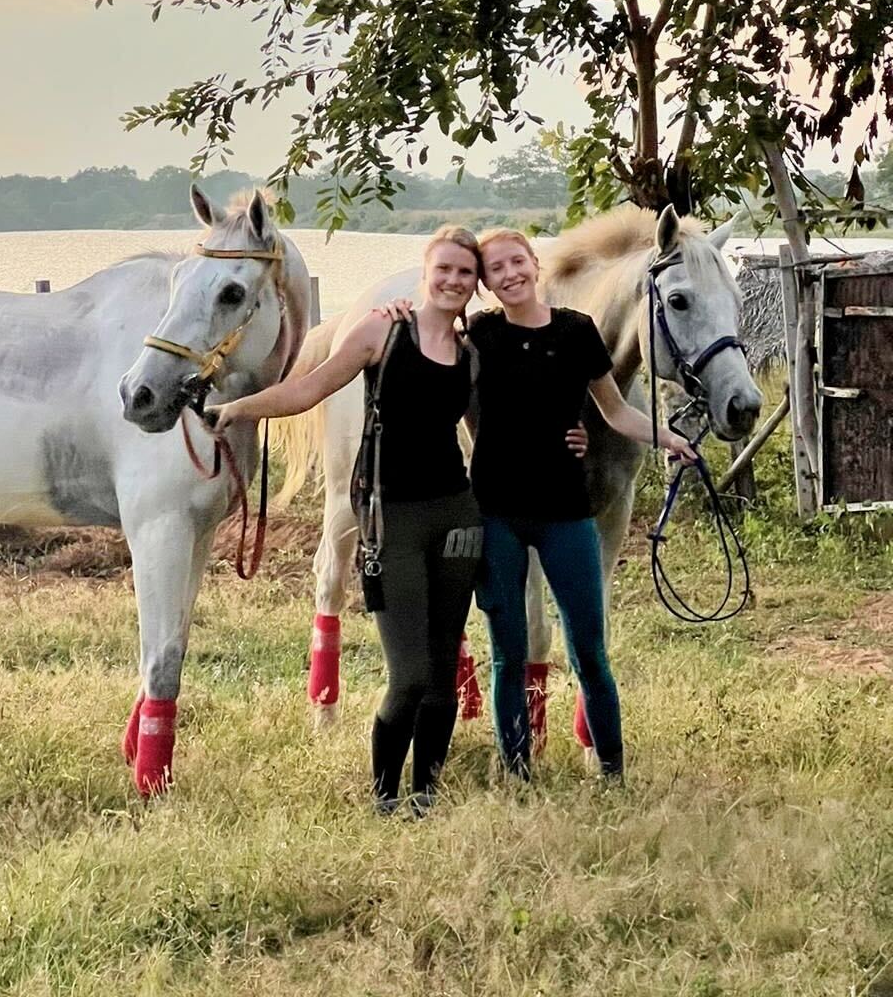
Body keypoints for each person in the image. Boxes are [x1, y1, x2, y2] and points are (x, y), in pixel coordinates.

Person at [210, 227, 488, 814]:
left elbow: (491, 437)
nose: (453, 280)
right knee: (409, 676)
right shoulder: (381, 332)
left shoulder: (469, 355)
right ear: (426, 270)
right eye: (444, 268)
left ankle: (425, 795)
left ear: (475, 283)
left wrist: (568, 443)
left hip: (456, 518)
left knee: (441, 678)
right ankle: (385, 796)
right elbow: (309, 389)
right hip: (392, 519)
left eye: (465, 272)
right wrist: (237, 408)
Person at [467, 228, 695, 782]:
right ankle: (516, 770)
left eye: (517, 261)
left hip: (566, 515)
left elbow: (616, 411)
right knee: (509, 653)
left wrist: (667, 437)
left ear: (534, 263)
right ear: (486, 282)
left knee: (589, 650)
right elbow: (448, 389)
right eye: (496, 268)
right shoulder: (479, 334)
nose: (510, 274)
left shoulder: (577, 330)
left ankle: (612, 771)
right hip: (499, 515)